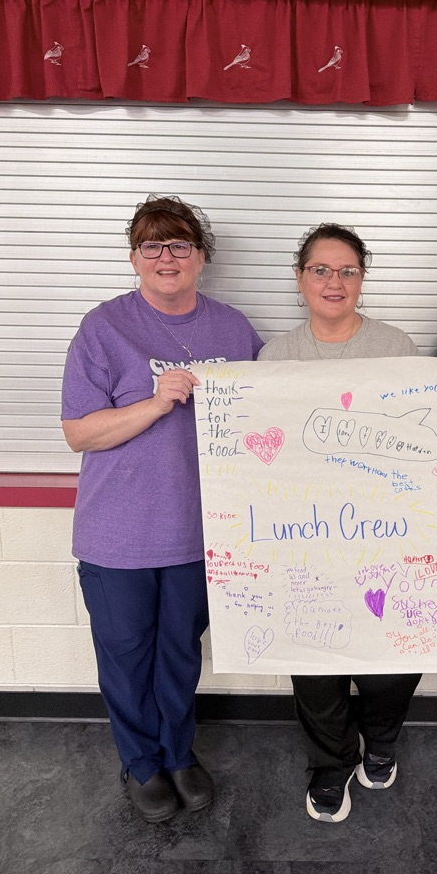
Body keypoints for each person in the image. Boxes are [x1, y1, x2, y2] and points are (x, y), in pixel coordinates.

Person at [62, 195, 262, 823]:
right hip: (116, 535)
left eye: (179, 245)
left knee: (179, 651)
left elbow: (275, 411)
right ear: (134, 258)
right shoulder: (103, 327)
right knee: (126, 652)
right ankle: (141, 763)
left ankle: (178, 752)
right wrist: (154, 402)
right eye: (152, 246)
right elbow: (78, 433)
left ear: (202, 258)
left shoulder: (233, 330)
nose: (166, 257)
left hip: (200, 533)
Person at [259, 222, 423, 823]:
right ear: (300, 279)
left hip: (387, 533)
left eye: (347, 270)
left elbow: (416, 436)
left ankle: (380, 740)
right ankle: (331, 762)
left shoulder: (398, 346)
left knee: (392, 655)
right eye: (321, 270)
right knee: (316, 658)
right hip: (304, 538)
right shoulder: (275, 356)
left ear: (362, 278)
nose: (335, 281)